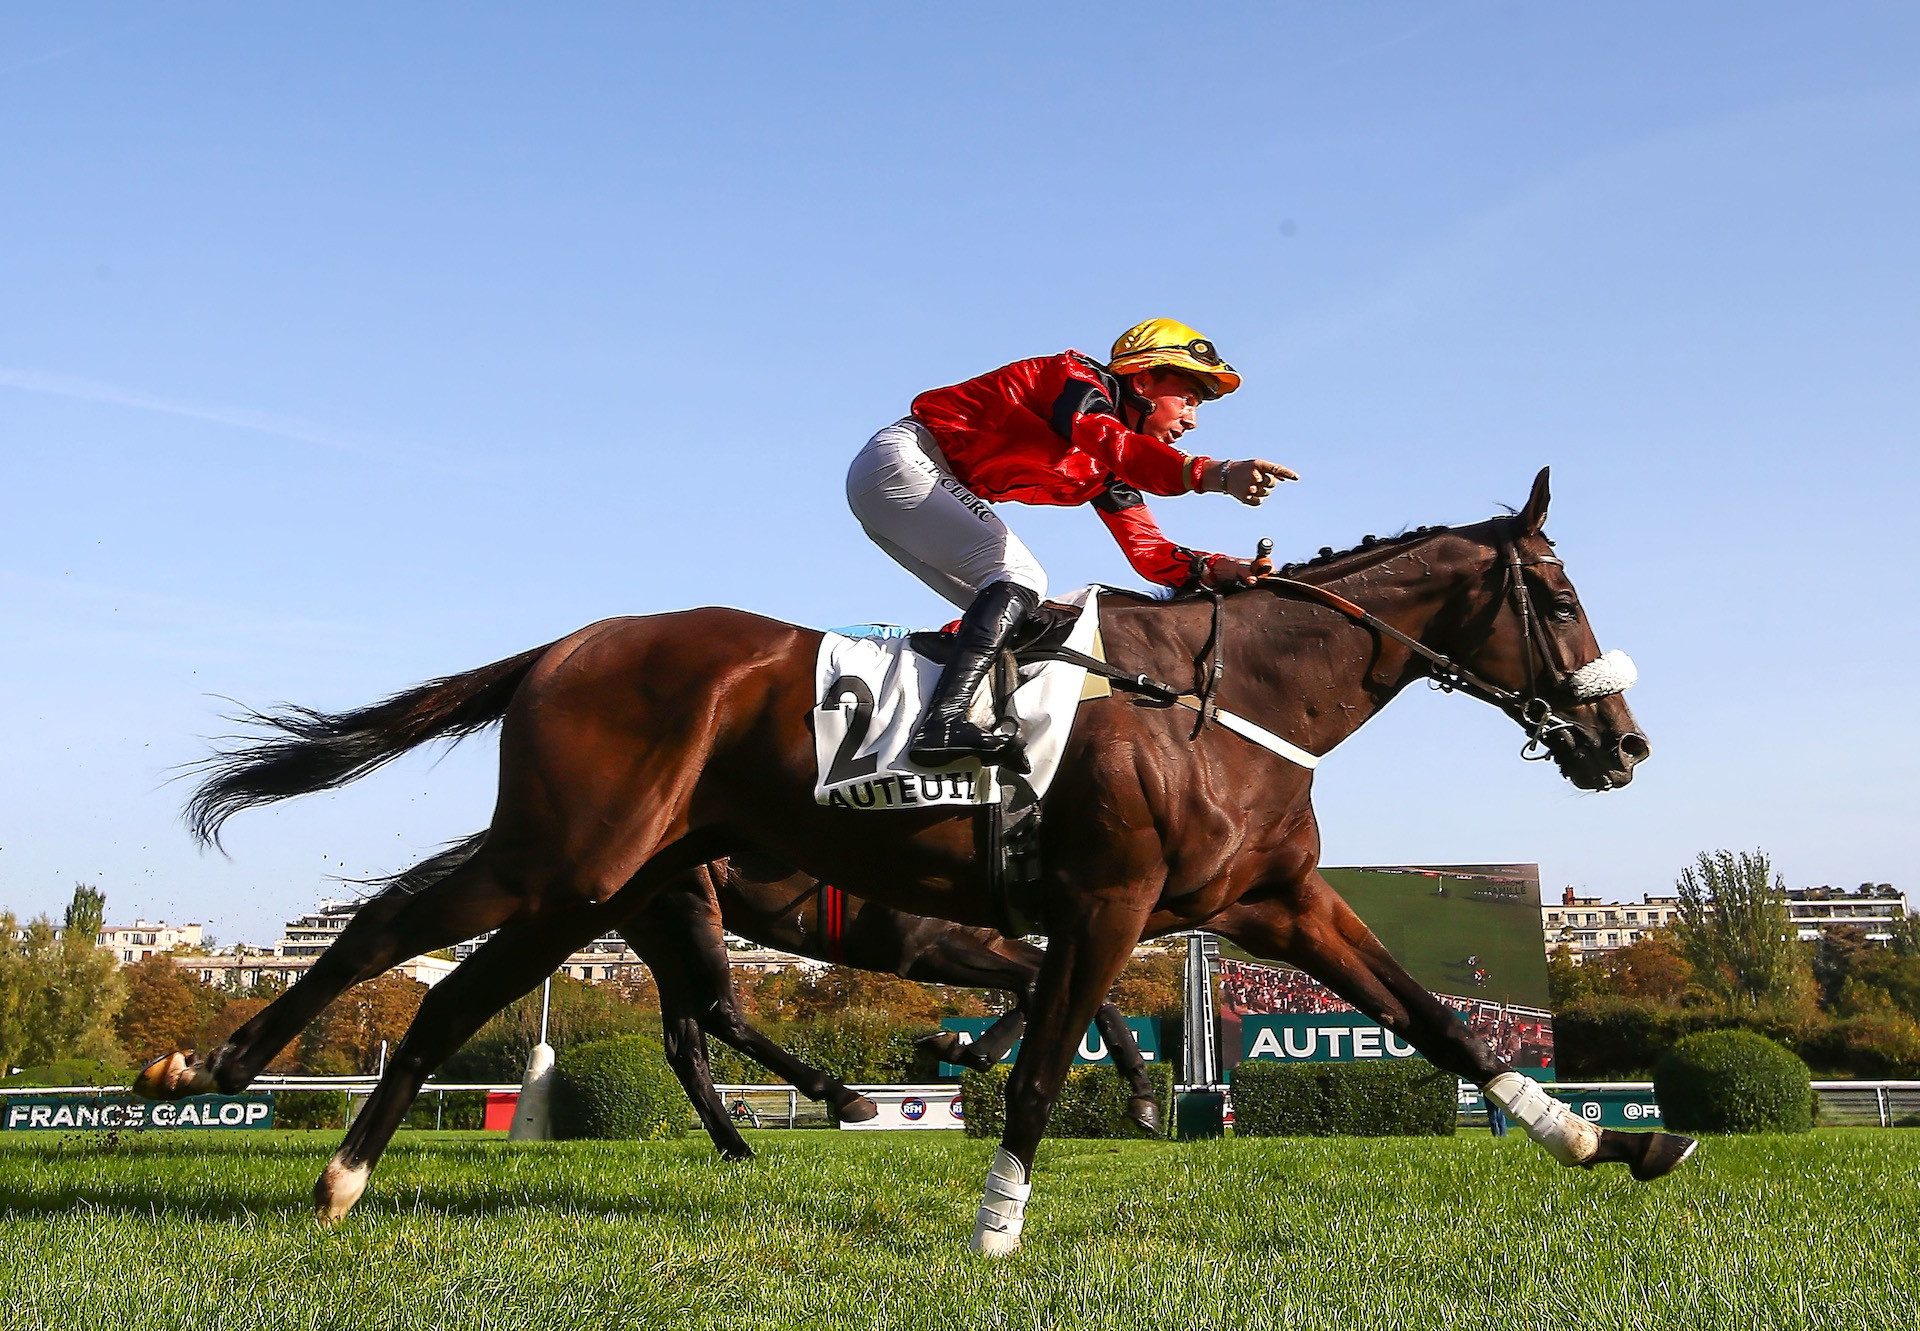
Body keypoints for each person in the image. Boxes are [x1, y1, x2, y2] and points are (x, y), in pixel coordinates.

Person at [846, 318, 1296, 769]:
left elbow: (1150, 552)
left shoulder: (1111, 465)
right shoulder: (1074, 381)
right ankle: (943, 723)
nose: (1192, 420)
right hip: (905, 461)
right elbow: (1111, 440)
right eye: (1188, 399)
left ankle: (914, 711)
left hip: (911, 484)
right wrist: (1212, 473)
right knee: (1022, 578)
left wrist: (1219, 569)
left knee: (1024, 618)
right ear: (1142, 380)